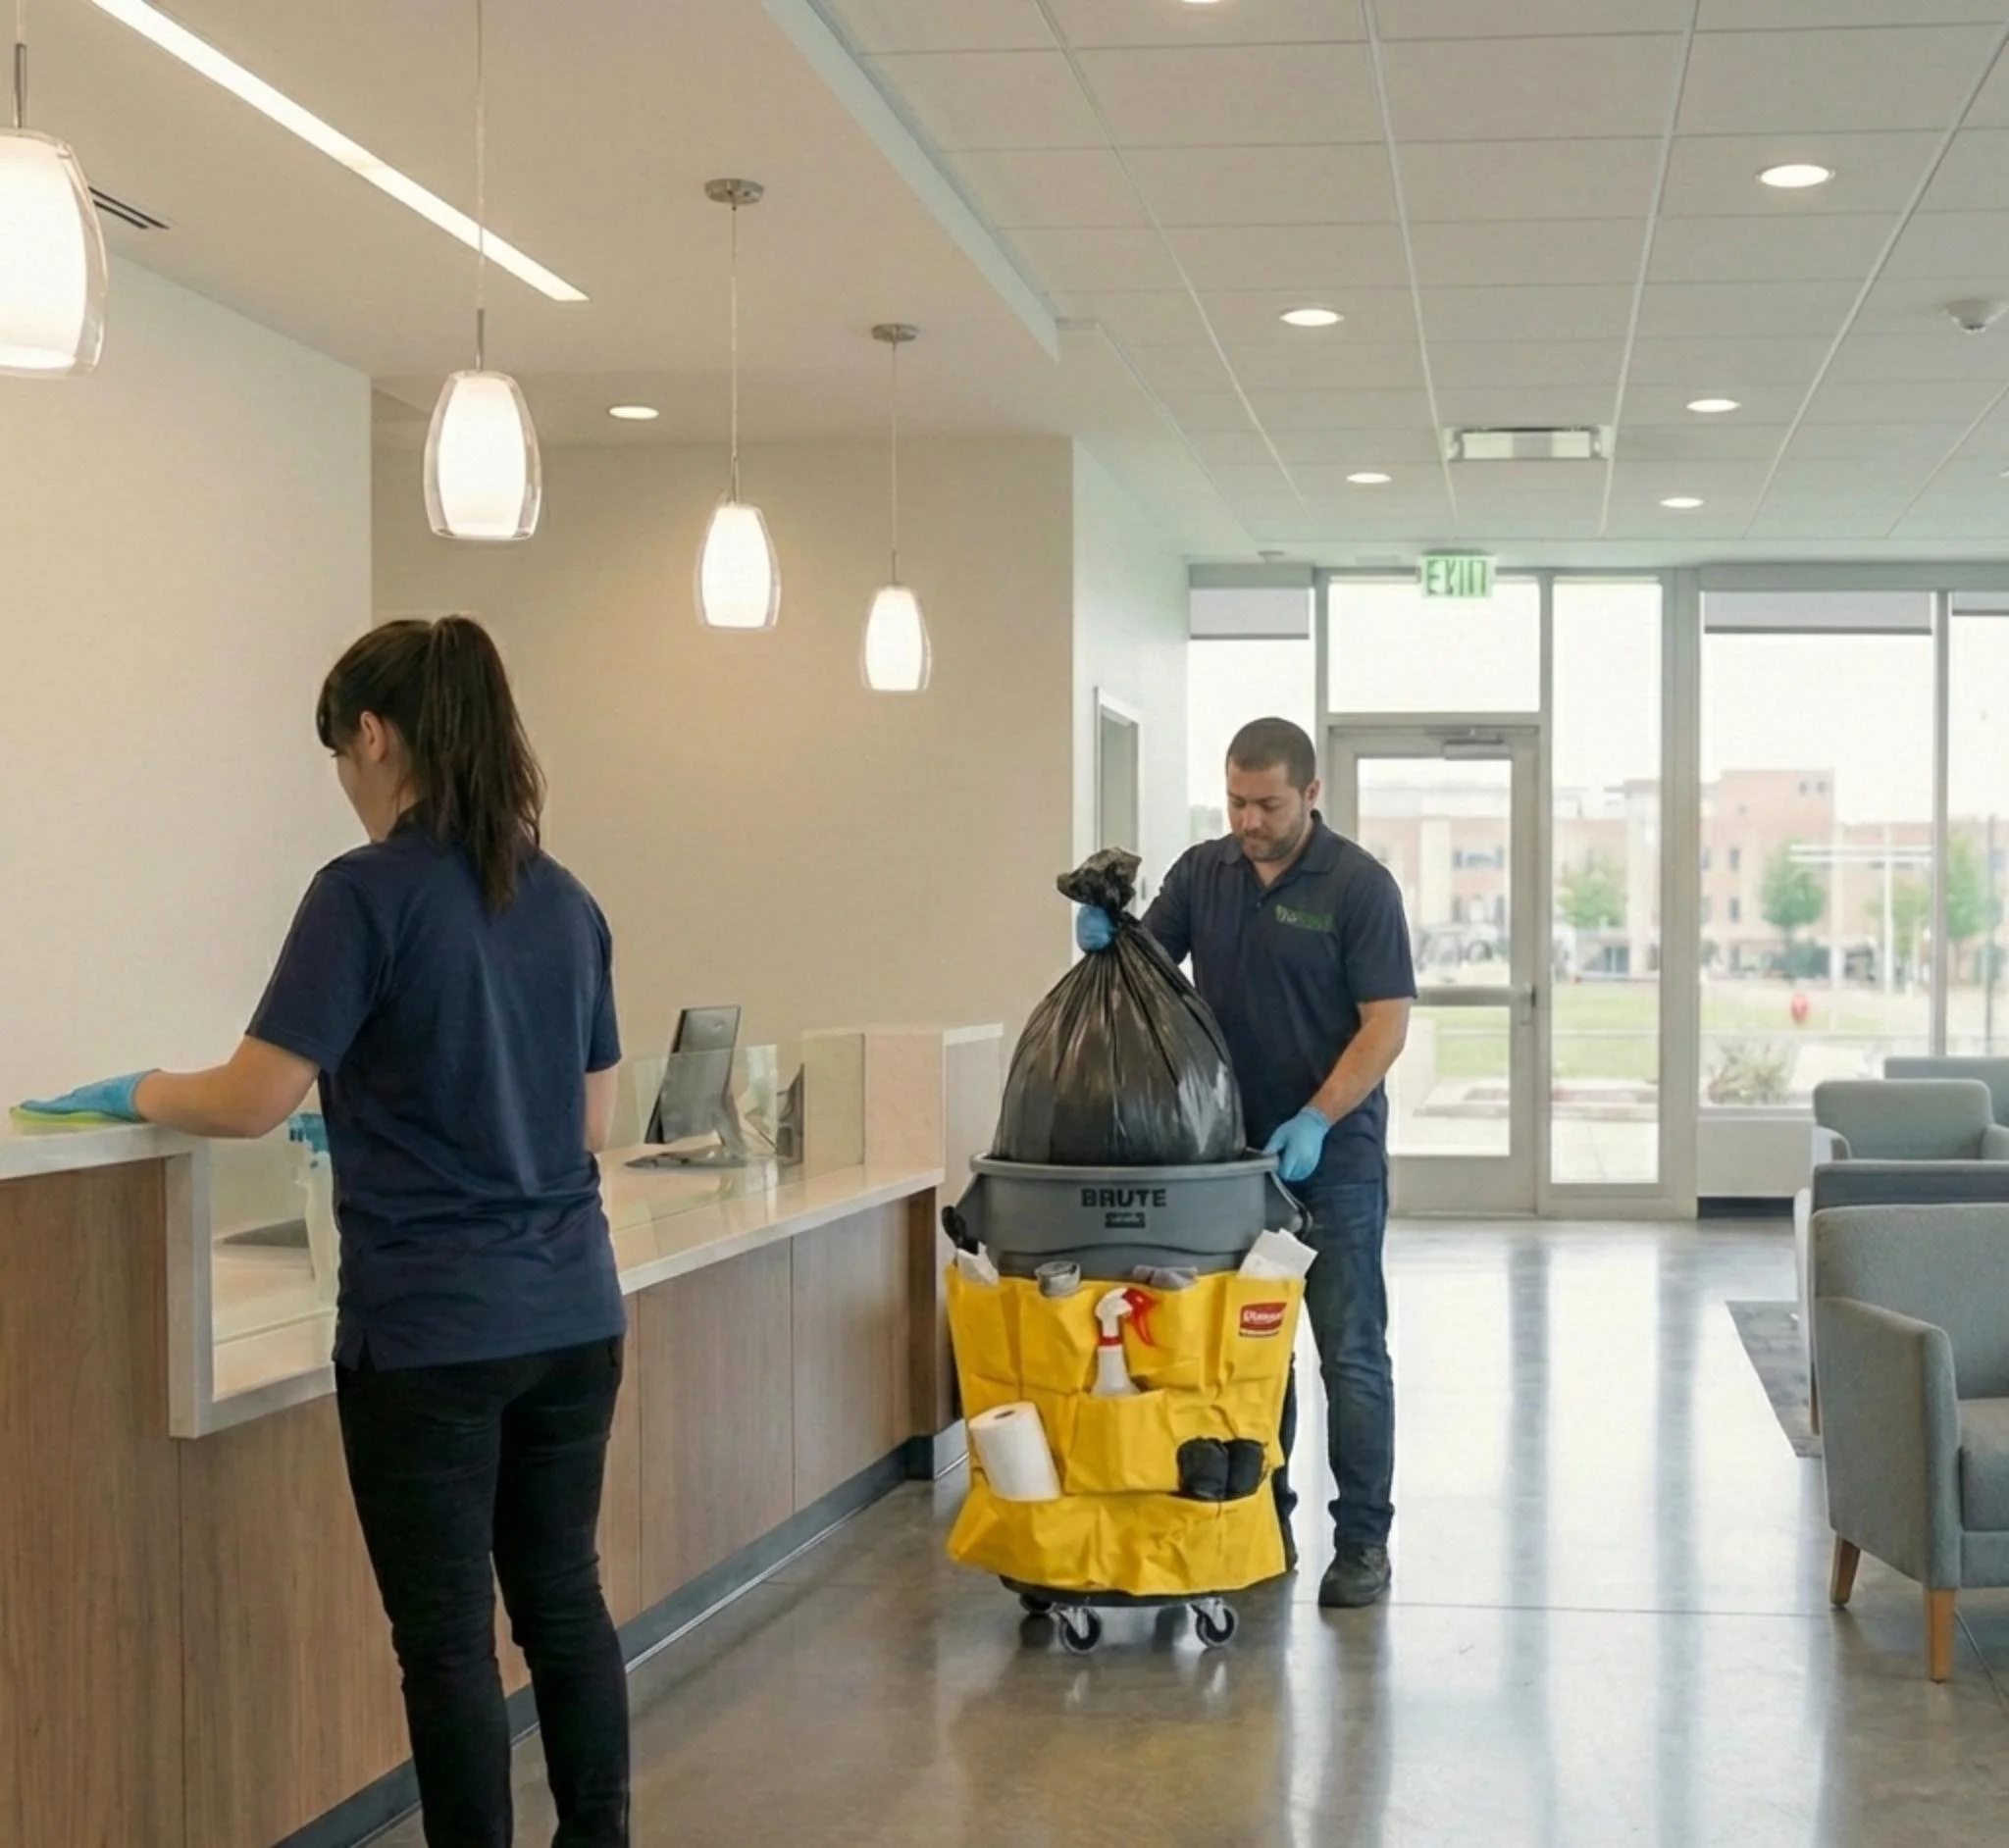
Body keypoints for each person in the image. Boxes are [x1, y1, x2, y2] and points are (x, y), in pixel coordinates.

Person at [23, 617, 631, 1847]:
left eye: (341, 757)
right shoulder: (565, 900)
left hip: (432, 1333)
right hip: (573, 1315)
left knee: (450, 1641)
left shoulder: (362, 894)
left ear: (373, 733)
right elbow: (588, 1123)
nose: (347, 788)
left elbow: (250, 1100)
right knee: (562, 1601)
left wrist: (137, 1090)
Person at [1077, 717, 1415, 1609]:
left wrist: (1316, 1118)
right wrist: (1111, 940)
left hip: (1331, 1161)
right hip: (1225, 1166)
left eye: (1267, 804)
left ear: (1310, 795)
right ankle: (1264, 1523)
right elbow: (1151, 969)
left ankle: (1365, 1544)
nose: (1249, 820)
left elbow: (1386, 1023)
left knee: (1348, 1353)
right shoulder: (1204, 873)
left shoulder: (1358, 886)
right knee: (1249, 1359)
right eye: (1235, 801)